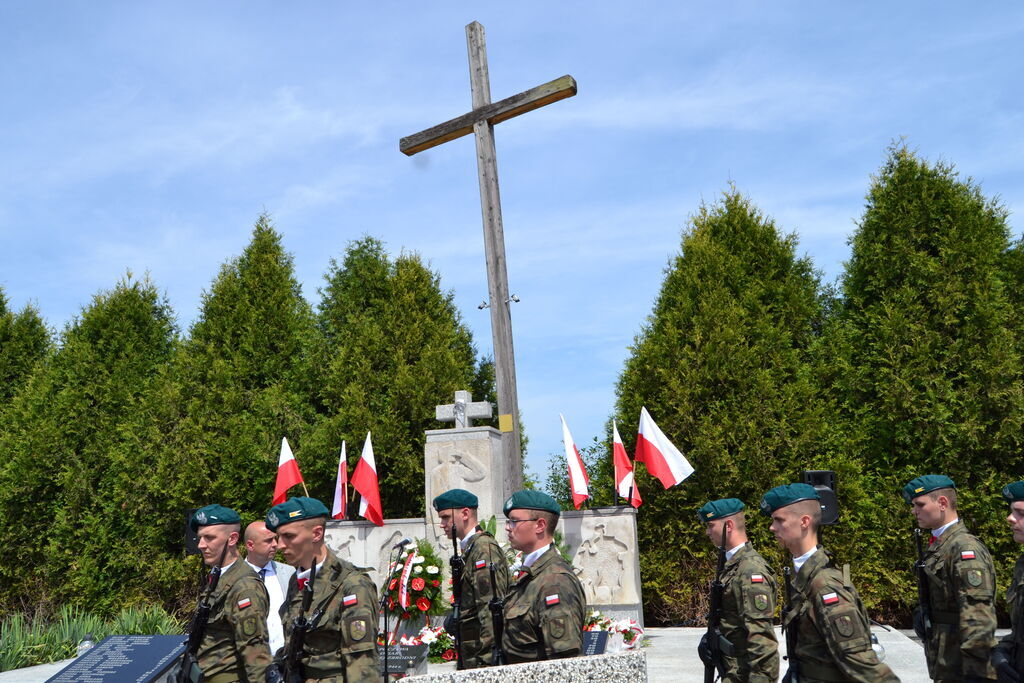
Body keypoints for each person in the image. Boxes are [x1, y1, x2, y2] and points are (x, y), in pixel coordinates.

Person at [761, 483, 898, 682]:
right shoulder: (804, 577)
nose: (772, 527)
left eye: (779, 520)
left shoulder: (825, 586)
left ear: (804, 521)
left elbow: (864, 665)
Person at [266, 496, 379, 682]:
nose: (280, 545)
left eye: (289, 536)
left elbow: (362, 664)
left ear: (316, 534)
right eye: (279, 537)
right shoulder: (297, 580)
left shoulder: (351, 585)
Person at [903, 474, 997, 681]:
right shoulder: (942, 544)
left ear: (943, 503)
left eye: (919, 504)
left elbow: (978, 615)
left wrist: (975, 670)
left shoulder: (964, 548)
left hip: (962, 664)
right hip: (946, 656)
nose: (914, 511)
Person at [189, 504, 276, 682]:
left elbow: (256, 655)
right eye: (200, 538)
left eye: (209, 538)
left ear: (232, 539)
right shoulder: (219, 577)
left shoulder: (244, 587)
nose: (201, 545)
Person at [697, 497, 779, 682]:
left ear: (729, 526)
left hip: (744, 673)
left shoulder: (750, 570)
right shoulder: (731, 564)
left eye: (711, 525)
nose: (707, 532)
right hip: (732, 670)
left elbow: (762, 638)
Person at [500, 489, 585, 663]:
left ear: (540, 525)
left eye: (514, 521)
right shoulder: (533, 573)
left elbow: (563, 662)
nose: (507, 527)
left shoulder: (555, 581)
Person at [432, 488, 510, 669]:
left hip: (481, 659)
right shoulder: (472, 549)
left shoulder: (483, 549)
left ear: (465, 513)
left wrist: (488, 662)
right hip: (471, 654)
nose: (442, 524)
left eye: (445, 518)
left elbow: (490, 609)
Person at [244, 520, 296, 656]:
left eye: (275, 539)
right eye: (268, 541)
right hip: (250, 662)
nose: (275, 544)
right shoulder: (233, 578)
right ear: (250, 545)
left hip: (284, 659)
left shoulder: (289, 572)